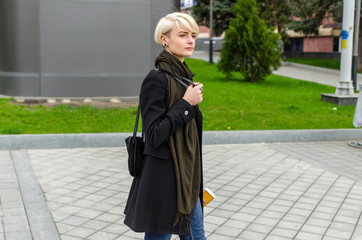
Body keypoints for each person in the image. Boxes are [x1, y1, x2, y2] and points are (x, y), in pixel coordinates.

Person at [123, 12, 206, 240]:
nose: (190, 40)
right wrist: (186, 104)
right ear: (164, 39)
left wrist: (187, 102)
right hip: (165, 180)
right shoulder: (156, 79)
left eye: (193, 35)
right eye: (182, 35)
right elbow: (153, 134)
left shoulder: (185, 79)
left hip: (187, 177)